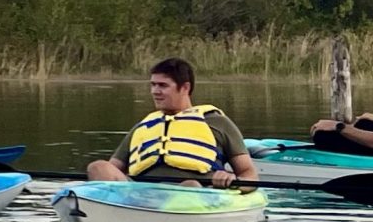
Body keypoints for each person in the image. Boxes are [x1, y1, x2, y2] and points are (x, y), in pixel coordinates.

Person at [86, 57, 259, 185]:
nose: (155, 91)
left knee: (189, 186)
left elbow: (249, 174)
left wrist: (232, 179)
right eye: (153, 85)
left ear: (185, 87)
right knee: (98, 167)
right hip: (141, 195)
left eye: (162, 85)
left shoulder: (218, 123)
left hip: (197, 193)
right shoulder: (144, 126)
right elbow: (113, 169)